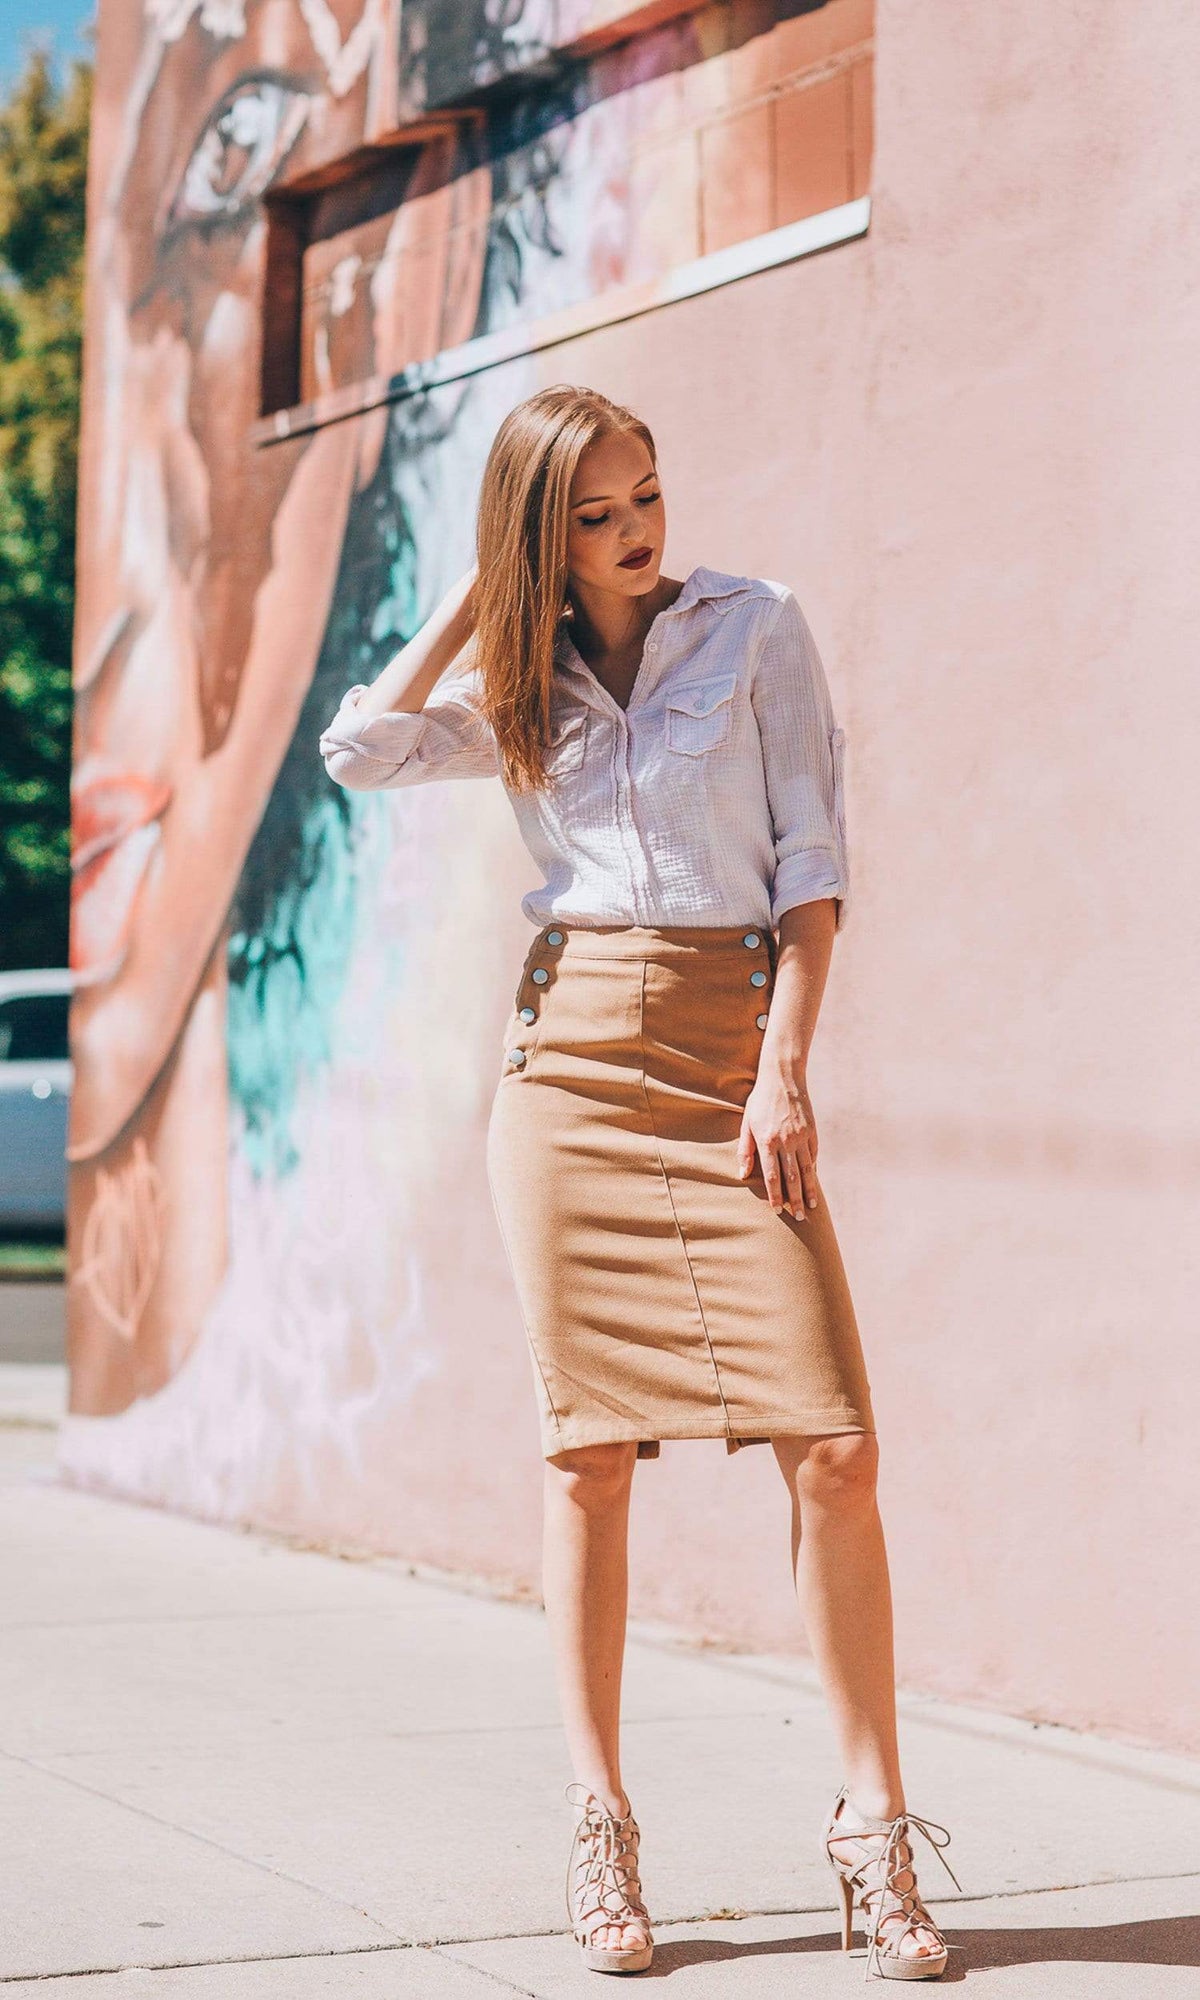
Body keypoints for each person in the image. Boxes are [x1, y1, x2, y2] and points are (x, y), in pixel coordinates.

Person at [318, 384, 961, 1981]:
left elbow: (811, 868)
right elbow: (358, 749)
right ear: (548, 532)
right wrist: (486, 590)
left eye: (648, 497)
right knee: (590, 1460)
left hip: (734, 1050)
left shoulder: (756, 629)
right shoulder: (519, 677)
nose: (636, 533)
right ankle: (600, 1823)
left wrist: (783, 1067)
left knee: (832, 1447)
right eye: (593, 516)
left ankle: (873, 1834)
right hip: (570, 1075)